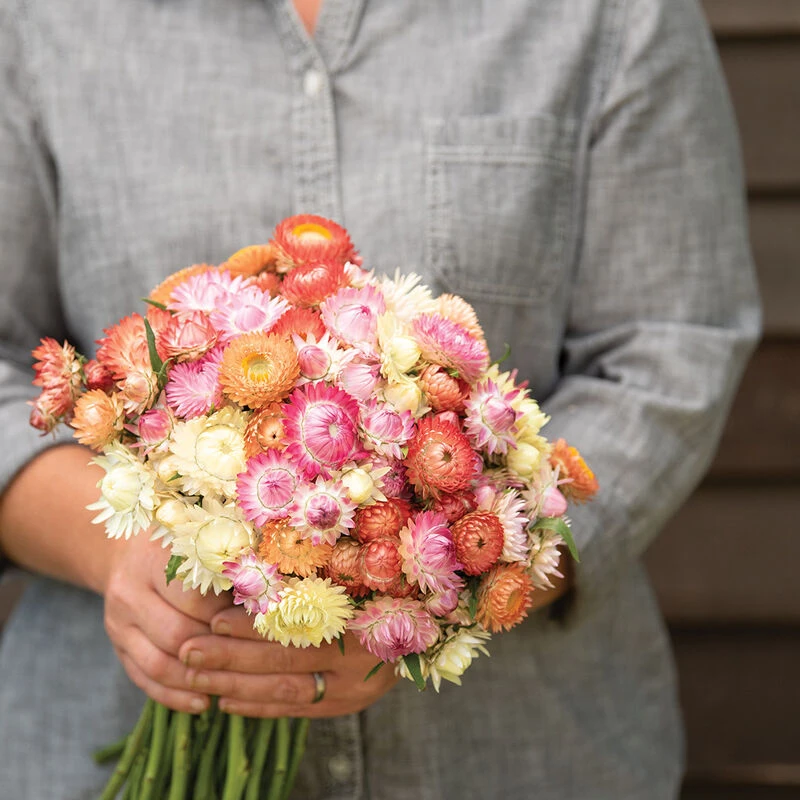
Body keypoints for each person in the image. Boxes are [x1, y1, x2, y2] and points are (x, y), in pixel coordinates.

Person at [0, 0, 760, 797]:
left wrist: (452, 589)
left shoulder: (611, 16)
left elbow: (674, 341)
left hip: (519, 753)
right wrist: (123, 551)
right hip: (89, 718)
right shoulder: (39, 20)